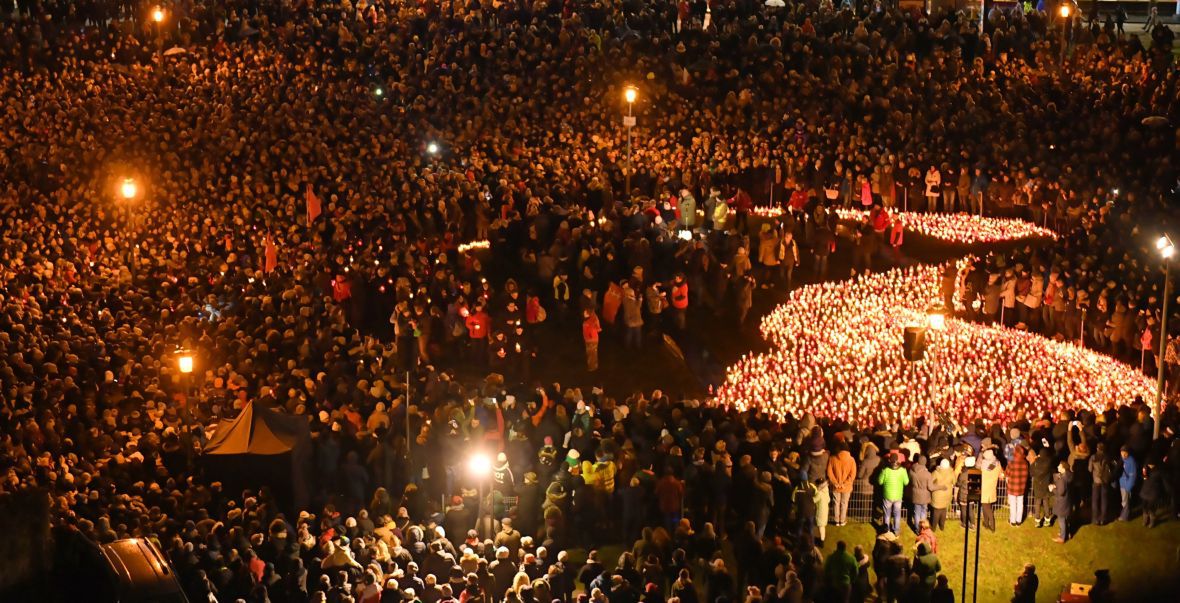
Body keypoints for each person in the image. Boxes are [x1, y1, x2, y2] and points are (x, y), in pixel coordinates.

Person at [877, 454, 909, 535]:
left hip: (887, 496)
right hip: (898, 496)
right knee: (897, 514)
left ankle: (886, 531)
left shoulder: (886, 470)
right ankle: (896, 531)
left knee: (887, 514)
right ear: (897, 460)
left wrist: (882, 472)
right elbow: (906, 482)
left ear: (889, 461)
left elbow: (880, 482)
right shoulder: (902, 470)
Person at [1005, 445, 1029, 526]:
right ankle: (1019, 521)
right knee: (1020, 504)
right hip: (1021, 487)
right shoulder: (1025, 463)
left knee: (1013, 505)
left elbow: (1007, 474)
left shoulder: (1011, 463)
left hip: (1012, 487)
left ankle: (1013, 521)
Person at [1051, 462, 1073, 543]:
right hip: (1067, 501)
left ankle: (1062, 537)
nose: (1057, 466)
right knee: (1065, 519)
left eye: (1059, 466)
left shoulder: (1062, 479)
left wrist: (1052, 489)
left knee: (1061, 519)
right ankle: (1067, 533)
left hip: (1062, 503)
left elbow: (1060, 492)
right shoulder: (1069, 475)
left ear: (1063, 468)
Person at [1117, 446, 1137, 521]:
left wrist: (1129, 486)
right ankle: (1124, 514)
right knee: (1124, 501)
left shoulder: (1131, 461)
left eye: (1125, 453)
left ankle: (1124, 517)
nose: (1123, 455)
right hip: (1122, 483)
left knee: (1126, 502)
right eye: (1122, 453)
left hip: (1127, 485)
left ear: (1128, 453)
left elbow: (1133, 476)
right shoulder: (1123, 459)